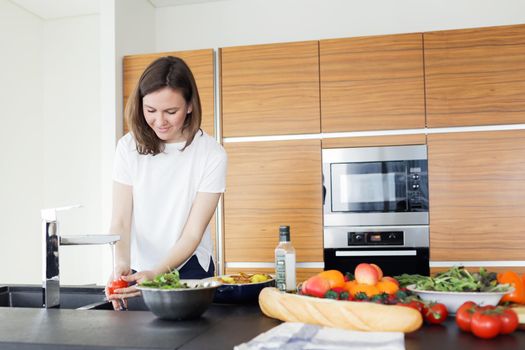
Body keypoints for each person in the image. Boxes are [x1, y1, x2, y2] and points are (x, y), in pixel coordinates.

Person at [105, 56, 227, 309]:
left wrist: (157, 273)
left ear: (190, 106)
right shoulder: (128, 148)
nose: (160, 121)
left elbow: (193, 233)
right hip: (137, 269)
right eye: (150, 111)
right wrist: (120, 265)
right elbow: (120, 221)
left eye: (171, 112)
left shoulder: (211, 154)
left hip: (190, 269)